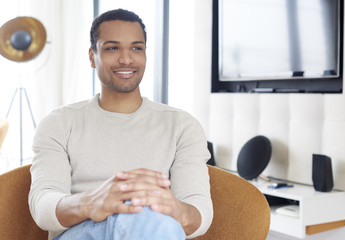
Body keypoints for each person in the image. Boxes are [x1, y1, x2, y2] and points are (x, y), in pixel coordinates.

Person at [28, 8, 213, 240]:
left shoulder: (183, 126)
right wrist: (92, 202)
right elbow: (42, 206)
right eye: (112, 48)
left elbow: (199, 212)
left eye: (137, 48)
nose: (126, 59)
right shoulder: (58, 123)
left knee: (147, 219)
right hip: (81, 233)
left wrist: (174, 209)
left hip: (155, 229)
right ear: (91, 56)